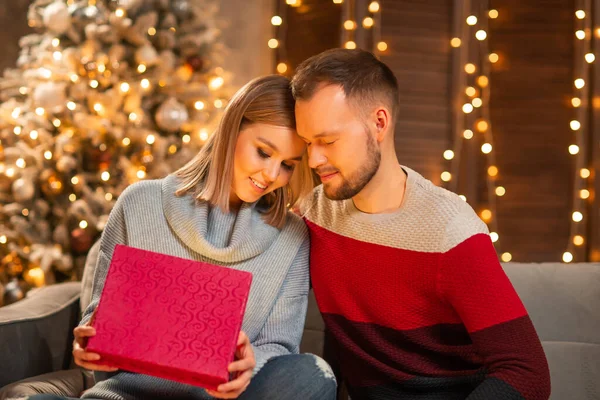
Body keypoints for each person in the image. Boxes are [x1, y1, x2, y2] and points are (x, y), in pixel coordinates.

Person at [29, 75, 336, 400]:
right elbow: (99, 319)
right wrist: (90, 341)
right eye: (263, 152)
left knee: (311, 374)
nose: (273, 176)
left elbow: (281, 349)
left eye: (288, 164)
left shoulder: (291, 237)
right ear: (231, 132)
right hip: (126, 396)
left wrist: (249, 363)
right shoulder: (139, 203)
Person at [291, 48, 551, 400]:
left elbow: (528, 373)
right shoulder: (315, 214)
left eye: (328, 141)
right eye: (308, 143)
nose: (314, 159)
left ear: (378, 123)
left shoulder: (450, 232)